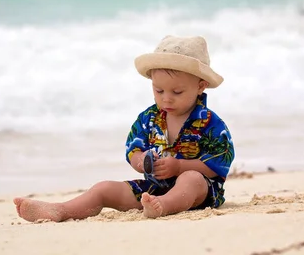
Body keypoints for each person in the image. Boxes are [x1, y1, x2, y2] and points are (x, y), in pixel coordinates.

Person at [13, 35, 235, 222]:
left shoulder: (211, 123)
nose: (166, 99)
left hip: (201, 192)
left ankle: (163, 207)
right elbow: (133, 151)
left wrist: (179, 166)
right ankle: (61, 210)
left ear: (200, 86)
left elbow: (218, 164)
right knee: (104, 188)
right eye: (159, 91)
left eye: (177, 92)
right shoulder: (149, 118)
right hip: (154, 188)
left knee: (191, 179)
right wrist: (142, 161)